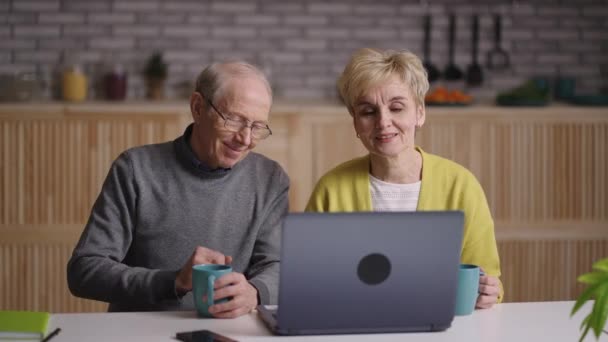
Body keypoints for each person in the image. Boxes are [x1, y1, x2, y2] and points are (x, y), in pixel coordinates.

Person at [67, 61, 289, 318]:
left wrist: (255, 291)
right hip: (140, 333)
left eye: (258, 126)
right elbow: (83, 271)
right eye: (234, 120)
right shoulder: (135, 169)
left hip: (232, 332)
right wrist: (173, 281)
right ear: (197, 107)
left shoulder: (271, 179)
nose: (246, 139)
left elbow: (278, 265)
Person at [305, 48, 503, 308]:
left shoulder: (461, 186)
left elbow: (487, 281)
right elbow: (307, 282)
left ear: (419, 113)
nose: (383, 122)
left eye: (396, 108)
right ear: (355, 122)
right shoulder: (331, 189)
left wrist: (489, 292)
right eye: (368, 112)